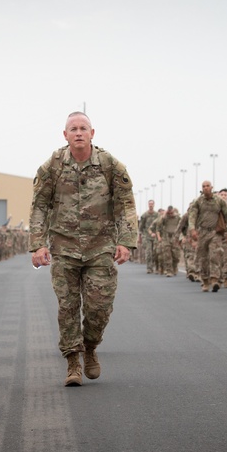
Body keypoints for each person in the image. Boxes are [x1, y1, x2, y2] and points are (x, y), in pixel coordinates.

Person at [30, 111, 138, 386]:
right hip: (64, 247)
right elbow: (39, 206)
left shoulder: (110, 165)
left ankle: (90, 347)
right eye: (73, 129)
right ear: (65, 135)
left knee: (98, 308)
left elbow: (125, 205)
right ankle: (72, 363)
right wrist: (38, 245)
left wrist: (126, 242)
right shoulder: (52, 166)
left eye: (83, 128)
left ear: (92, 133)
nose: (78, 133)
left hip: (100, 247)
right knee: (67, 307)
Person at [188, 181, 227, 292]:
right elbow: (192, 216)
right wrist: (192, 229)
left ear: (212, 188)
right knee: (203, 258)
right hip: (202, 233)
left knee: (215, 255)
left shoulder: (219, 201)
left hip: (215, 233)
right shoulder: (198, 201)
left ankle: (214, 279)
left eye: (208, 186)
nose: (206, 188)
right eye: (204, 186)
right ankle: (205, 280)